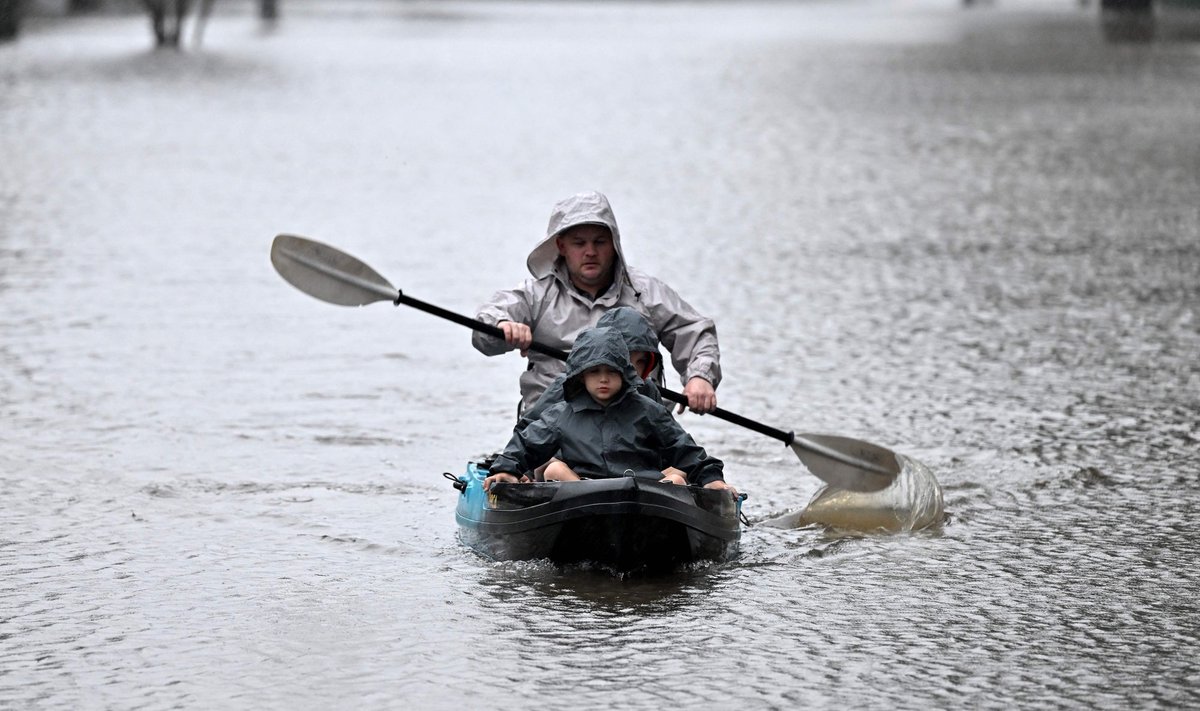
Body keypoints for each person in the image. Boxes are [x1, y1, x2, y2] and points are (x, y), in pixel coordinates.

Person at [472, 191, 720, 416]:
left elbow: (695, 332)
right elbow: (485, 331)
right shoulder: (534, 295)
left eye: (599, 242)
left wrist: (700, 377)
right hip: (552, 424)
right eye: (579, 243)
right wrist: (503, 325)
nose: (590, 252)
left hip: (634, 423)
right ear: (561, 246)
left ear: (614, 244)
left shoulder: (646, 292)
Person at [482, 327, 736, 498]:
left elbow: (684, 448)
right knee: (555, 472)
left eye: (611, 372)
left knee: (677, 482)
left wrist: (711, 478)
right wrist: (507, 469)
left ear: (624, 373)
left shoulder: (647, 410)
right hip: (584, 492)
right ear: (581, 377)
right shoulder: (561, 414)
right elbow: (527, 444)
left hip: (642, 492)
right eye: (594, 372)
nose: (603, 380)